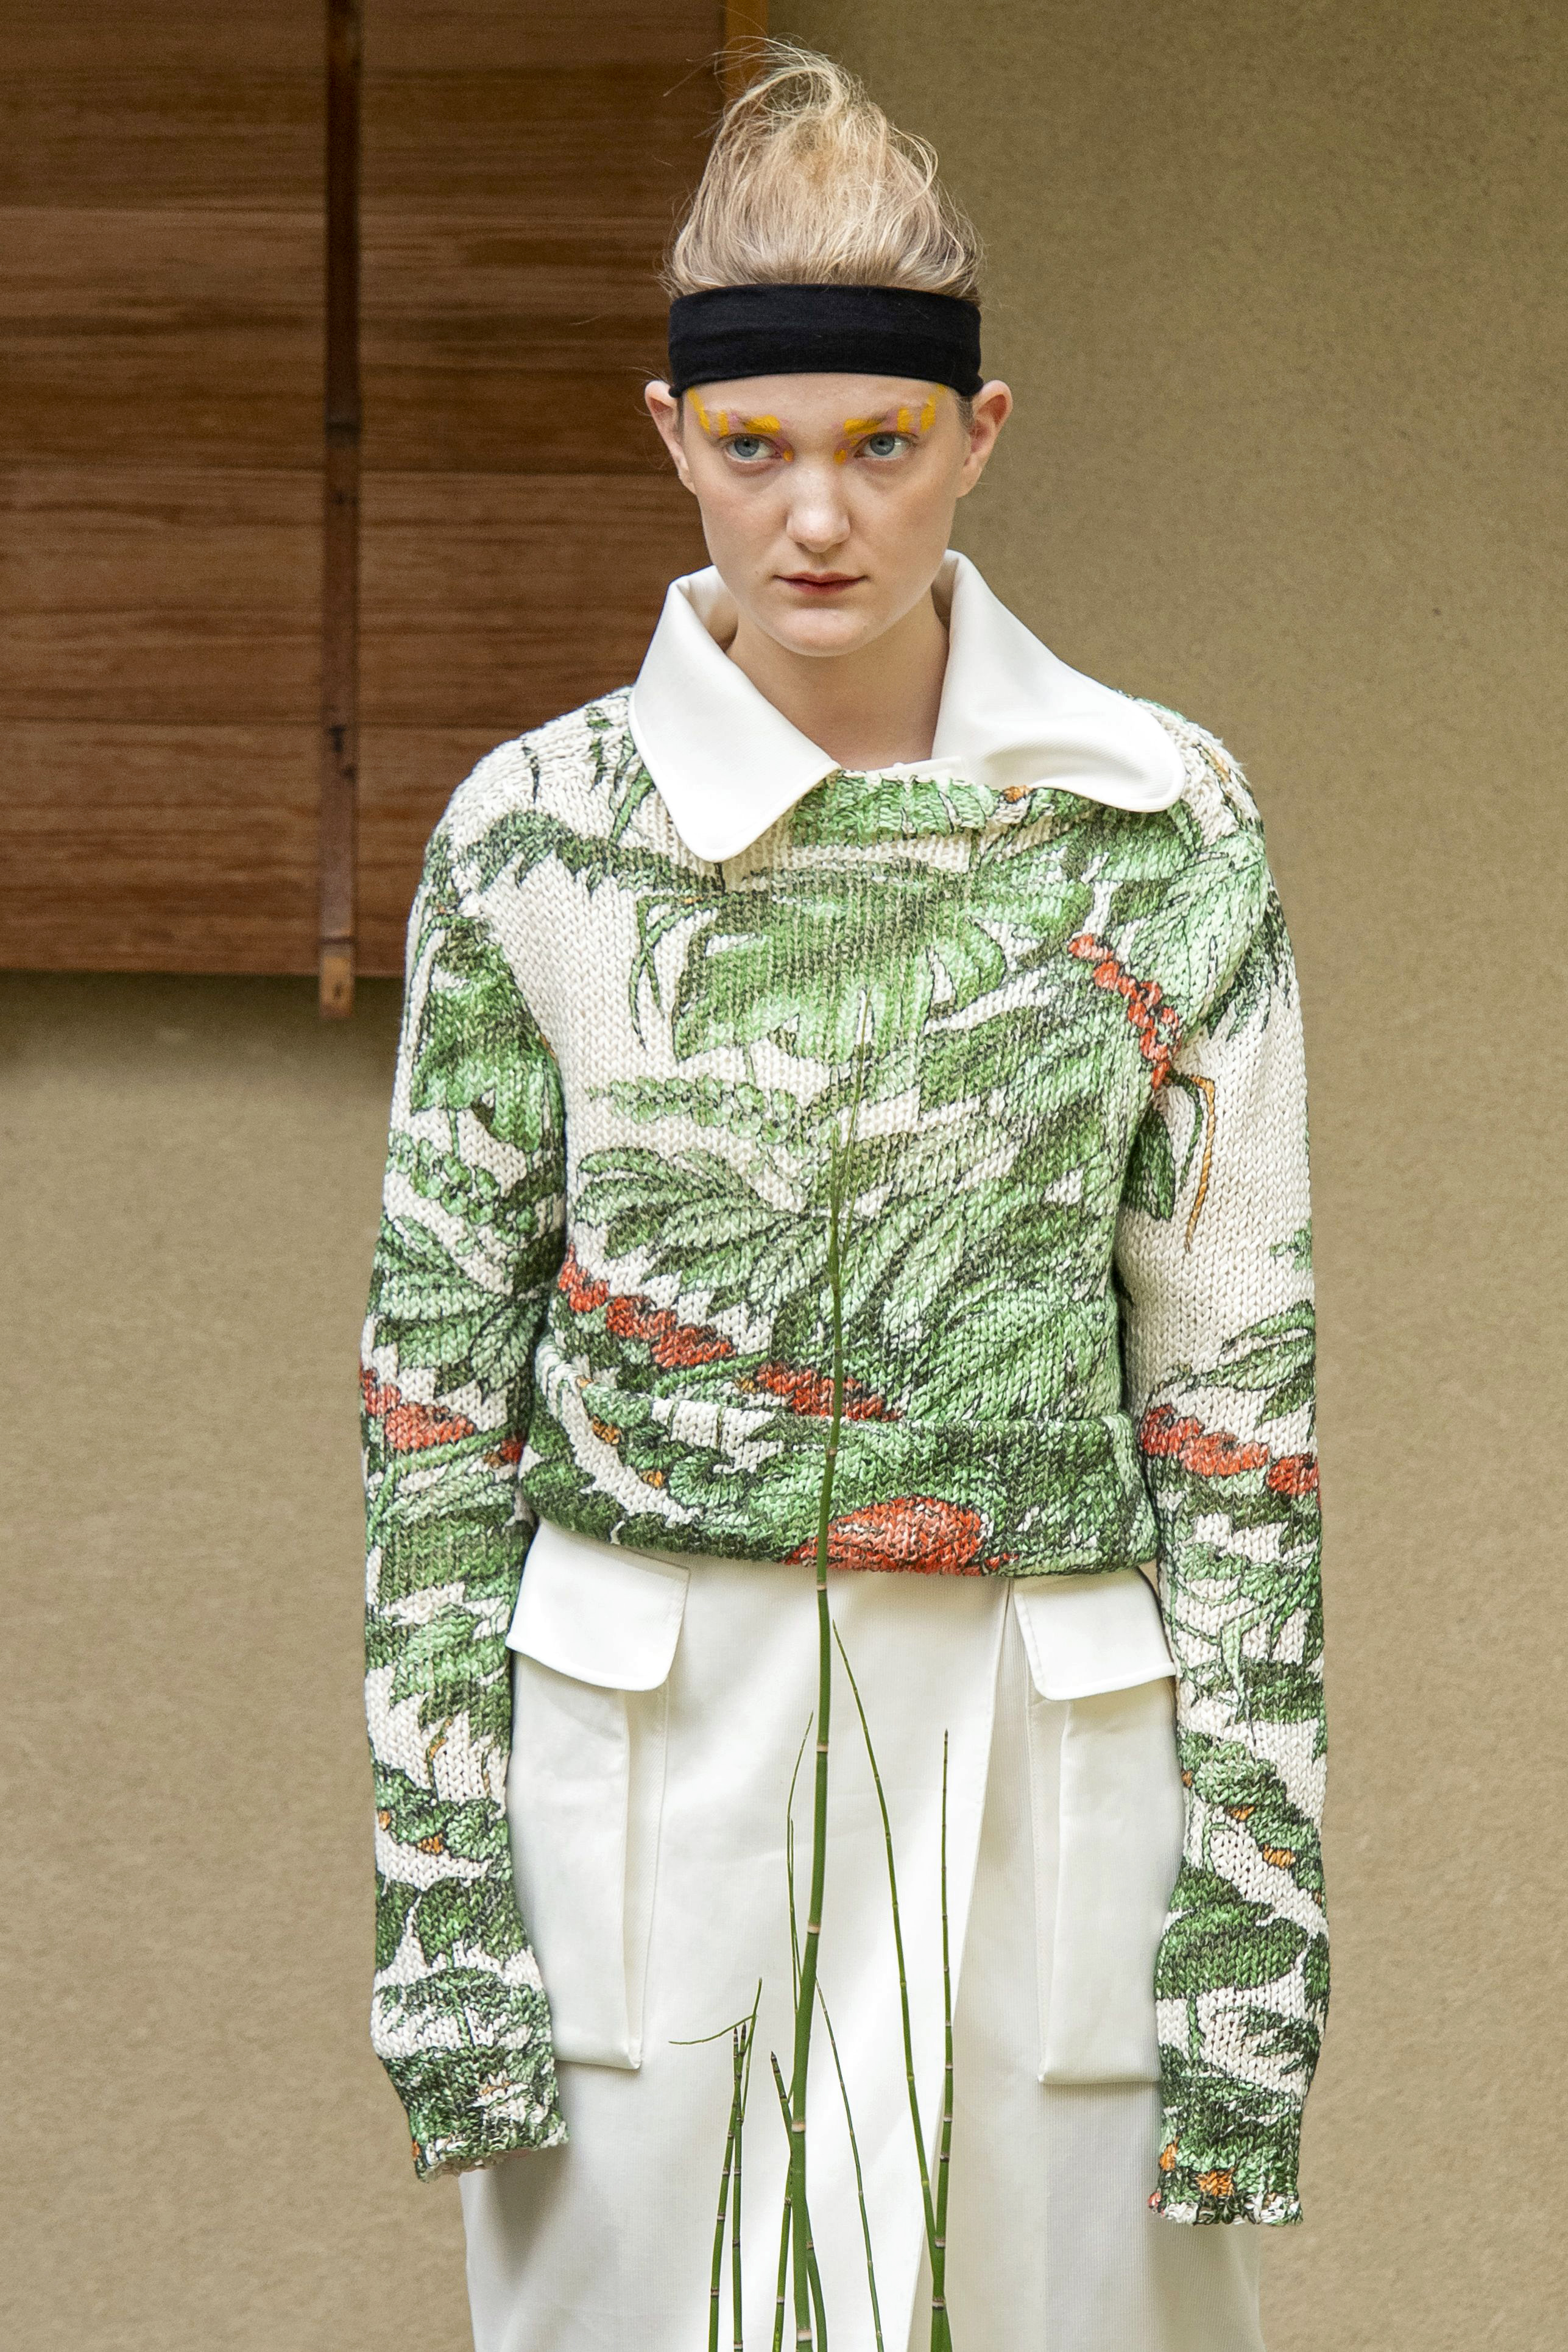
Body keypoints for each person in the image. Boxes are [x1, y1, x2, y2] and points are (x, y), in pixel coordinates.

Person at [361, 45, 1326, 2352]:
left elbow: (1241, 1418)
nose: (817, 517)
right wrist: (445, 1936)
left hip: (1048, 1757)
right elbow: (432, 1422)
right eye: (754, 446)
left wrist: (1255, 1954)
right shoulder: (533, 843)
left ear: (979, 436)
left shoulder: (1161, 829)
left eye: (881, 447)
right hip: (641, 1757)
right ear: (671, 434)